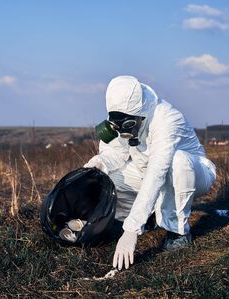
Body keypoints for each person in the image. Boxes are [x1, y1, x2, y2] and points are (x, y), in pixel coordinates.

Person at [84, 76, 216, 270]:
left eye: (129, 124)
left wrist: (130, 231)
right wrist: (96, 165)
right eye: (119, 125)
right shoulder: (120, 120)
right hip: (148, 171)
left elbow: (157, 171)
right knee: (108, 177)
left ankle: (177, 230)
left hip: (194, 172)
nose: (124, 130)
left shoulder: (167, 118)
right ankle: (146, 217)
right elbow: (116, 154)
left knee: (177, 161)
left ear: (141, 114)